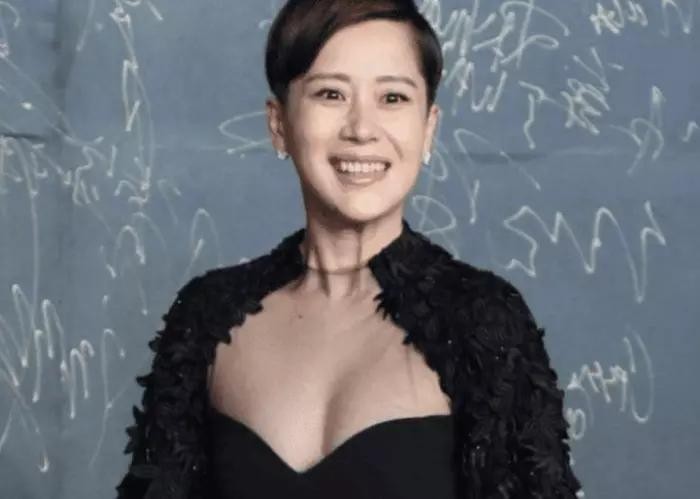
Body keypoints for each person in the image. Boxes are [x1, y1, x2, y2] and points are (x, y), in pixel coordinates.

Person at [116, 0, 583, 498]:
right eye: (331, 94)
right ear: (278, 124)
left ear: (428, 127)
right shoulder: (205, 319)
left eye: (393, 98)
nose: (361, 129)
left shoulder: (483, 324)